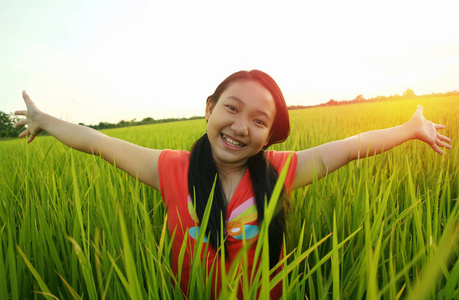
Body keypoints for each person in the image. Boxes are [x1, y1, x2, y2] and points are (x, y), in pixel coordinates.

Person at [15, 70, 451, 299]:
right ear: (209, 109)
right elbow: (99, 143)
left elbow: (352, 145)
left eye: (259, 121)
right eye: (232, 108)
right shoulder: (171, 170)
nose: (241, 127)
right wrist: (45, 121)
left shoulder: (280, 173)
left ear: (268, 135)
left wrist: (411, 128)